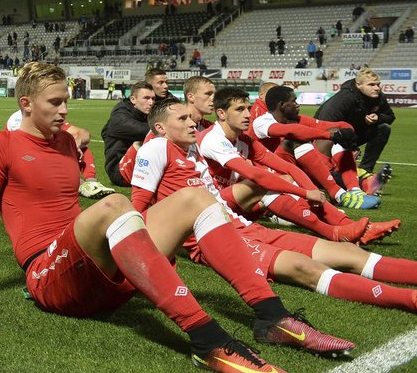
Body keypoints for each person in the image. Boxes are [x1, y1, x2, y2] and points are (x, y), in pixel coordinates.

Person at [0, 62, 352, 373]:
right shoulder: (0, 144)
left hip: (95, 269)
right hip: (47, 275)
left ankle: (272, 317)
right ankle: (206, 339)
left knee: (192, 197)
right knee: (115, 205)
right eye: (54, 103)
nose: (63, 111)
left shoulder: (67, 144)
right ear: (25, 104)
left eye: (66, 102)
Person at [135, 99, 417, 317]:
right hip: (216, 239)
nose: (193, 122)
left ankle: (343, 233)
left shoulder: (194, 150)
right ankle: (409, 300)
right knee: (302, 267)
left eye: (190, 117)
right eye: (183, 118)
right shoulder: (158, 148)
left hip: (243, 225)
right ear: (160, 128)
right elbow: (138, 208)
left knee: (349, 252)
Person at [198, 87, 369, 244]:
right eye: (239, 109)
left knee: (282, 178)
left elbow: (289, 168)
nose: (247, 115)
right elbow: (256, 175)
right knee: (260, 182)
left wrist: (311, 192)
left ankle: (343, 223)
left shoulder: (243, 139)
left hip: (235, 201)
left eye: (248, 109)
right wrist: (304, 192)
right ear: (221, 113)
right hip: (209, 205)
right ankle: (333, 231)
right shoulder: (213, 139)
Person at [250, 85, 398, 243]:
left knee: (336, 140)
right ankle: (345, 198)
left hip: (281, 174)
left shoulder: (293, 120)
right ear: (282, 105)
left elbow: (323, 126)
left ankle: (354, 200)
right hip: (265, 183)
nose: (298, 104)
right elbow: (292, 132)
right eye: (294, 101)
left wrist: (344, 130)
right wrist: (331, 135)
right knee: (298, 143)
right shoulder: (260, 121)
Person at [314, 68, 394, 189]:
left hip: (353, 134)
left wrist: (378, 118)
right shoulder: (344, 98)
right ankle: (335, 170)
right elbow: (324, 123)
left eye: (378, 84)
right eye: (371, 85)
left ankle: (364, 170)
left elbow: (390, 116)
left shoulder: (379, 97)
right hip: (328, 137)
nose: (377, 88)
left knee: (384, 128)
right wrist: (346, 143)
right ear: (358, 85)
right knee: (326, 170)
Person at [100, 81, 154, 186]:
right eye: (146, 98)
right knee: (146, 140)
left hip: (137, 166)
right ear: (133, 99)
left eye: (153, 98)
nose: (151, 102)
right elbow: (137, 129)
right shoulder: (120, 115)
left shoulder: (143, 113)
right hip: (119, 171)